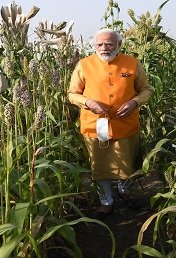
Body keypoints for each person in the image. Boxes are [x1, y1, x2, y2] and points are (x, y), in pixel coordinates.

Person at [68, 28, 153, 220]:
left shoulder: (132, 64)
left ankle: (124, 190)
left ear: (119, 45)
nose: (104, 48)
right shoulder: (84, 65)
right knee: (100, 165)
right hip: (96, 126)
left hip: (126, 124)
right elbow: (72, 94)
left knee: (127, 163)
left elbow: (146, 90)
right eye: (99, 44)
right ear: (94, 45)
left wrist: (134, 103)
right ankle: (106, 202)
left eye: (109, 44)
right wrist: (88, 102)